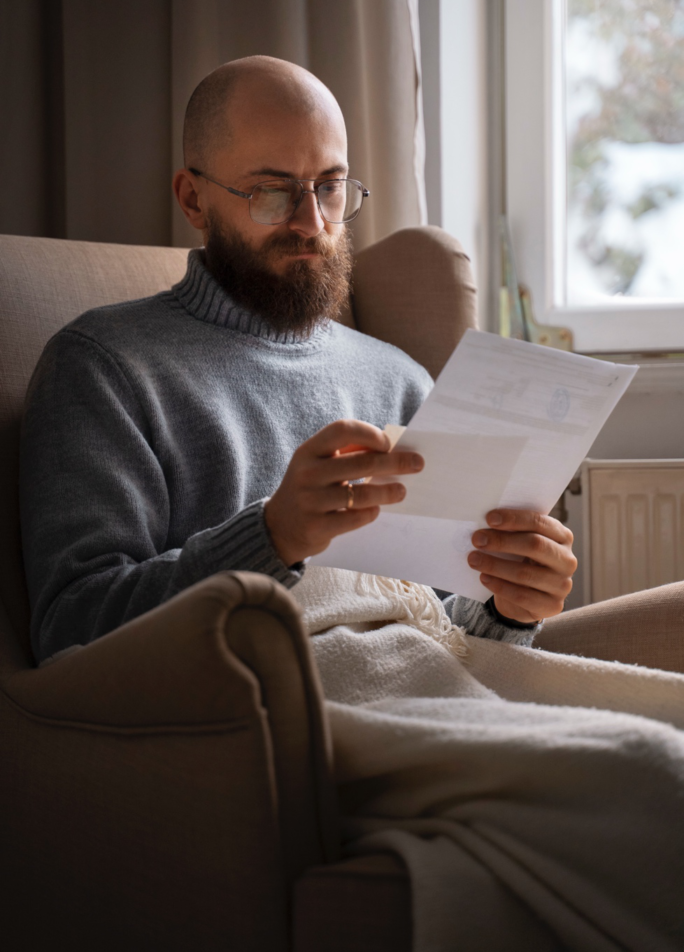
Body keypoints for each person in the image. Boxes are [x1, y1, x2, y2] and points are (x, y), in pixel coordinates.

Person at [19, 56, 576, 664]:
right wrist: (271, 538)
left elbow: (440, 631)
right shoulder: (104, 368)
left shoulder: (401, 381)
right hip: (255, 723)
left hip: (426, 700)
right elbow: (72, 630)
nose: (312, 223)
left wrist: (507, 607)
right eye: (272, 192)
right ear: (194, 199)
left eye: (330, 187)